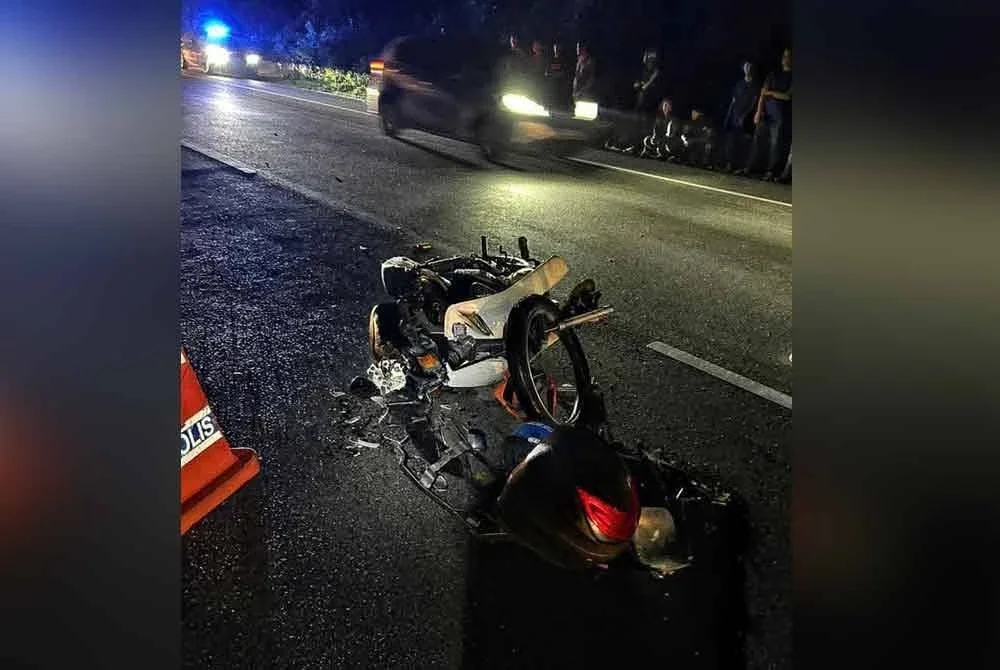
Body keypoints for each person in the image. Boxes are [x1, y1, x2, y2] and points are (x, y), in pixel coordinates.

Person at [736, 47, 791, 181]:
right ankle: (750, 168)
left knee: (775, 144)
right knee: (758, 140)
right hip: (767, 113)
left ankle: (771, 172)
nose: (785, 58)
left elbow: (787, 97)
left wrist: (771, 93)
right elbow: (762, 95)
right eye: (784, 55)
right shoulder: (773, 75)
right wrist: (758, 112)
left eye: (788, 56)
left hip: (781, 115)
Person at [720, 60, 759, 172]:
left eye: (750, 66)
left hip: (747, 118)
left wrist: (745, 116)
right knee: (731, 140)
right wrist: (729, 115)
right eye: (746, 66)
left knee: (744, 142)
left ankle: (743, 167)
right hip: (735, 117)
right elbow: (733, 101)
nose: (748, 68)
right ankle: (729, 164)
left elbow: (754, 102)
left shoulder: (755, 85)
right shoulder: (739, 84)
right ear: (743, 68)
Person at [546, 42, 571, 109]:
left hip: (560, 85)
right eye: (555, 47)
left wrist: (555, 75)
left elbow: (564, 73)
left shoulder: (564, 60)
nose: (556, 49)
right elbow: (547, 72)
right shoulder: (550, 59)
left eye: (558, 47)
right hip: (551, 85)